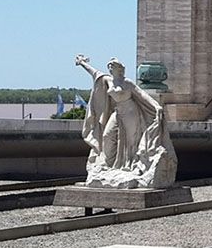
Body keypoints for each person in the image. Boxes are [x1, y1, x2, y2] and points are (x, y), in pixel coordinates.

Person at [75, 54, 176, 188]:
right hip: (118, 112)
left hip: (130, 111)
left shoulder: (127, 83)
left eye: (114, 66)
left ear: (119, 69)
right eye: (110, 66)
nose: (111, 68)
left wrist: (156, 106)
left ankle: (132, 166)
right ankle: (108, 164)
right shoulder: (108, 80)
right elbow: (94, 73)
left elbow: (142, 95)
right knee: (107, 135)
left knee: (131, 140)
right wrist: (82, 63)